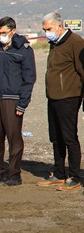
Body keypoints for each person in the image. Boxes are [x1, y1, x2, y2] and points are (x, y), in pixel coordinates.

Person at [0, 16, 36, 186]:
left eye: (4, 32)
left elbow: (29, 78)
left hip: (13, 100)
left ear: (13, 31)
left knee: (14, 138)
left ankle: (14, 173)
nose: (0, 35)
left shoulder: (24, 50)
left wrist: (23, 103)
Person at [36, 12, 84, 191]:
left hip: (69, 98)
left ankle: (74, 175)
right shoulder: (54, 44)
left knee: (69, 137)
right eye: (44, 29)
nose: (46, 32)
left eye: (48, 29)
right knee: (56, 137)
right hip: (53, 97)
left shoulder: (75, 42)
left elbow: (82, 70)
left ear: (59, 26)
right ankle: (58, 173)